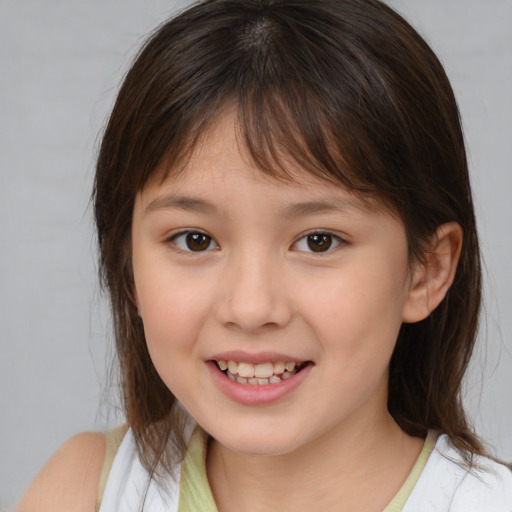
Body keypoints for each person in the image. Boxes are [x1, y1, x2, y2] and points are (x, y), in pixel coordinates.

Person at [17, 0, 512, 511]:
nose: (251, 308)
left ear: (426, 271)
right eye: (194, 240)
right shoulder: (84, 492)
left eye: (318, 241)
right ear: (130, 270)